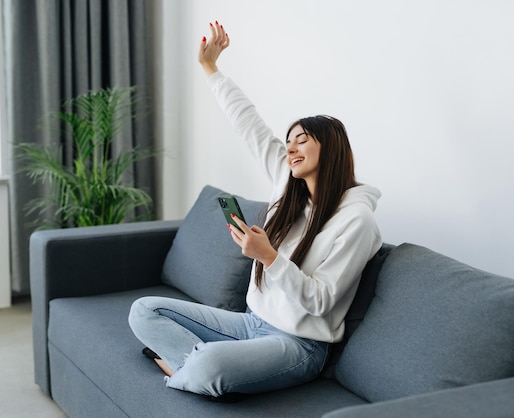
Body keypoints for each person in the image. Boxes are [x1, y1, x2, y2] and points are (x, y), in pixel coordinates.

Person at [128, 21, 382, 400]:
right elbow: (248, 123)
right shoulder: (287, 182)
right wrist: (211, 68)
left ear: (330, 149)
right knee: (143, 311)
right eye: (288, 141)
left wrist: (270, 258)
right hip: (250, 323)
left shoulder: (356, 221)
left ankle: (185, 368)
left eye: (302, 141)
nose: (291, 148)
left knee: (212, 366)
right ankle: (194, 368)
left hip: (298, 345)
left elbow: (321, 301)